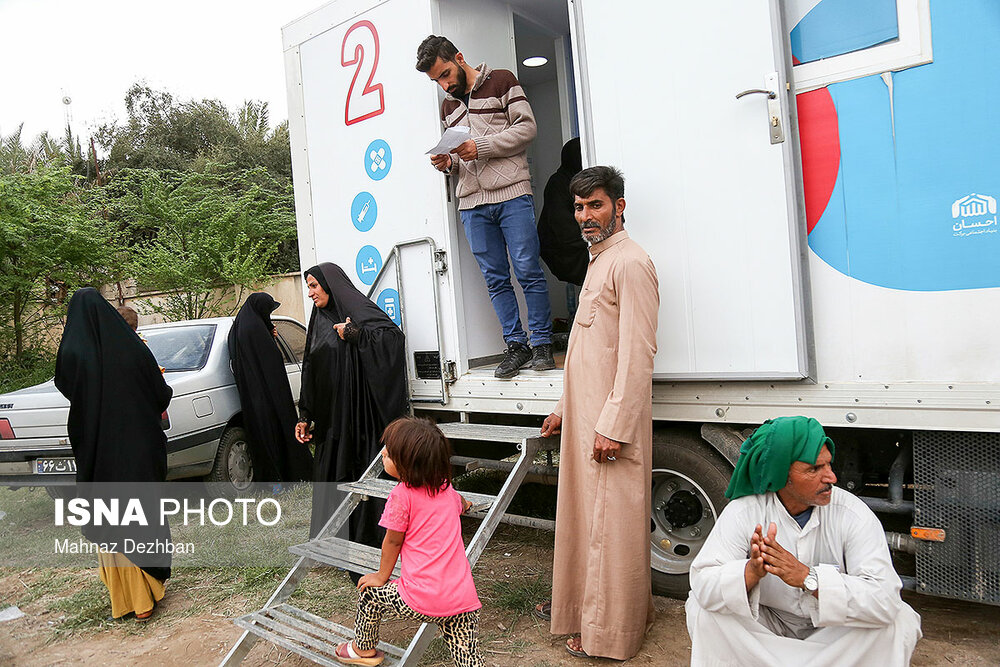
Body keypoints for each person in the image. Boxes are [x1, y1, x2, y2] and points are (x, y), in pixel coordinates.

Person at [538, 166, 660, 659]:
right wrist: (564, 408)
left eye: (596, 205)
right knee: (589, 526)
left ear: (619, 207)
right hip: (585, 423)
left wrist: (613, 426)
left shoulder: (631, 262)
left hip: (609, 430)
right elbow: (590, 350)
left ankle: (610, 635)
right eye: (579, 207)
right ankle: (599, 618)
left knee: (609, 532)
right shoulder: (598, 262)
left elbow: (637, 356)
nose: (586, 216)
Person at [686, 416, 922, 666]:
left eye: (829, 465)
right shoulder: (745, 511)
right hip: (767, 628)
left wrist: (809, 578)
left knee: (899, 620)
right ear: (781, 474)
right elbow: (703, 581)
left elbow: (884, 598)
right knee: (702, 609)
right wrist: (750, 572)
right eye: (814, 469)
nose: (831, 477)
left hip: (834, 633)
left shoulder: (853, 514)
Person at [416, 35, 554, 379]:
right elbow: (462, 158)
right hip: (471, 203)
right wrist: (447, 163)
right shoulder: (448, 106)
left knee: (527, 270)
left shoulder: (503, 80)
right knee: (495, 279)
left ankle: (541, 343)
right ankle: (516, 345)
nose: (444, 85)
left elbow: (528, 127)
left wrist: (481, 146)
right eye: (437, 81)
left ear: (459, 57)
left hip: (512, 194)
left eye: (446, 74)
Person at [54, 288, 173, 622]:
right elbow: (159, 394)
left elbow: (66, 386)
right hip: (138, 448)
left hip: (97, 450)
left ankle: (125, 601)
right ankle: (146, 598)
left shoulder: (73, 352)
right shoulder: (133, 348)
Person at [332, 417, 483, 667]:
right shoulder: (446, 489)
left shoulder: (401, 497)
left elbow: (392, 542)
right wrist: (466, 505)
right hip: (463, 599)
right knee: (469, 659)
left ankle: (363, 649)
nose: (382, 454)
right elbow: (461, 503)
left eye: (389, 454)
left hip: (421, 597)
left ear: (409, 466)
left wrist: (382, 576)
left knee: (370, 595)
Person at [294, 264, 407, 559]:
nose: (310, 293)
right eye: (309, 287)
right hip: (332, 421)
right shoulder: (319, 319)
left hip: (360, 422)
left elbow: (393, 339)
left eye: (314, 286)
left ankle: (369, 543)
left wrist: (356, 334)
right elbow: (311, 368)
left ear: (331, 285)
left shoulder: (358, 311)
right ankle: (332, 544)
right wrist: (305, 415)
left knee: (360, 475)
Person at [228, 292, 313, 483]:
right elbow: (272, 361)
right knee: (278, 433)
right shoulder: (257, 330)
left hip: (252, 397)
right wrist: (270, 338)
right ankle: (289, 475)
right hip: (269, 397)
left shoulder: (239, 327)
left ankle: (273, 479)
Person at [537, 137, 589, 287]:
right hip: (564, 250)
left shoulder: (580, 183)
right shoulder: (559, 184)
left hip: (579, 245)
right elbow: (562, 227)